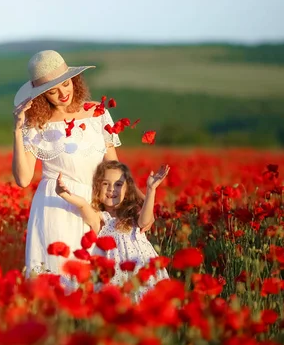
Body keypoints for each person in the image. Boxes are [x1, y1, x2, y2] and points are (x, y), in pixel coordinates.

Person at [12, 49, 142, 277]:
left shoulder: (97, 112)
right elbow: (23, 179)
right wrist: (17, 130)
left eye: (66, 84)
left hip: (97, 202)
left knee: (100, 277)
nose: (63, 94)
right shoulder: (37, 124)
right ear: (42, 96)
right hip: (57, 207)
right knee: (61, 276)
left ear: (73, 79)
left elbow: (113, 166)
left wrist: (136, 200)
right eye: (52, 91)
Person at [55, 160, 170, 300]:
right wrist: (63, 194)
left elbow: (145, 221)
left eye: (118, 184)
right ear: (97, 188)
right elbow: (83, 205)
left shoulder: (133, 216)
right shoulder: (101, 219)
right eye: (105, 184)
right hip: (115, 274)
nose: (111, 189)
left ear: (127, 190)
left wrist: (151, 189)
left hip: (139, 267)